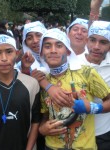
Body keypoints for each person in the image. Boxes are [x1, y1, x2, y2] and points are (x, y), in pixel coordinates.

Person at [39, 28, 110, 150]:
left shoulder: (86, 73)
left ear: (67, 51)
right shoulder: (42, 81)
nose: (53, 50)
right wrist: (42, 129)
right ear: (41, 53)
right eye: (47, 46)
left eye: (59, 45)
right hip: (51, 146)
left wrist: (94, 107)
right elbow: (45, 116)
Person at [79, 20, 110, 150]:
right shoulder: (73, 62)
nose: (96, 46)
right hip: (77, 135)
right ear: (86, 41)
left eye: (103, 42)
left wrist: (93, 108)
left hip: (102, 134)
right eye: (92, 40)